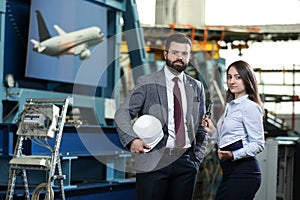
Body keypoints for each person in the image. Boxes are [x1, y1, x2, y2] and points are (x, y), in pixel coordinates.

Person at [114, 33, 208, 200]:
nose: (179, 57)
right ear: (165, 54)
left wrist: (196, 158)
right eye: (175, 52)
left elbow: (201, 125)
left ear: (189, 56)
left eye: (184, 54)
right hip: (154, 161)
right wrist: (132, 140)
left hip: (186, 162)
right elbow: (123, 113)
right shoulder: (147, 82)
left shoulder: (196, 86)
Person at [202, 60, 265, 200]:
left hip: (245, 173)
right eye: (229, 77)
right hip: (230, 172)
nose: (232, 81)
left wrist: (233, 155)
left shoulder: (250, 107)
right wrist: (212, 130)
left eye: (238, 77)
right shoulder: (230, 106)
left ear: (247, 79)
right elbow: (227, 138)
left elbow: (258, 144)